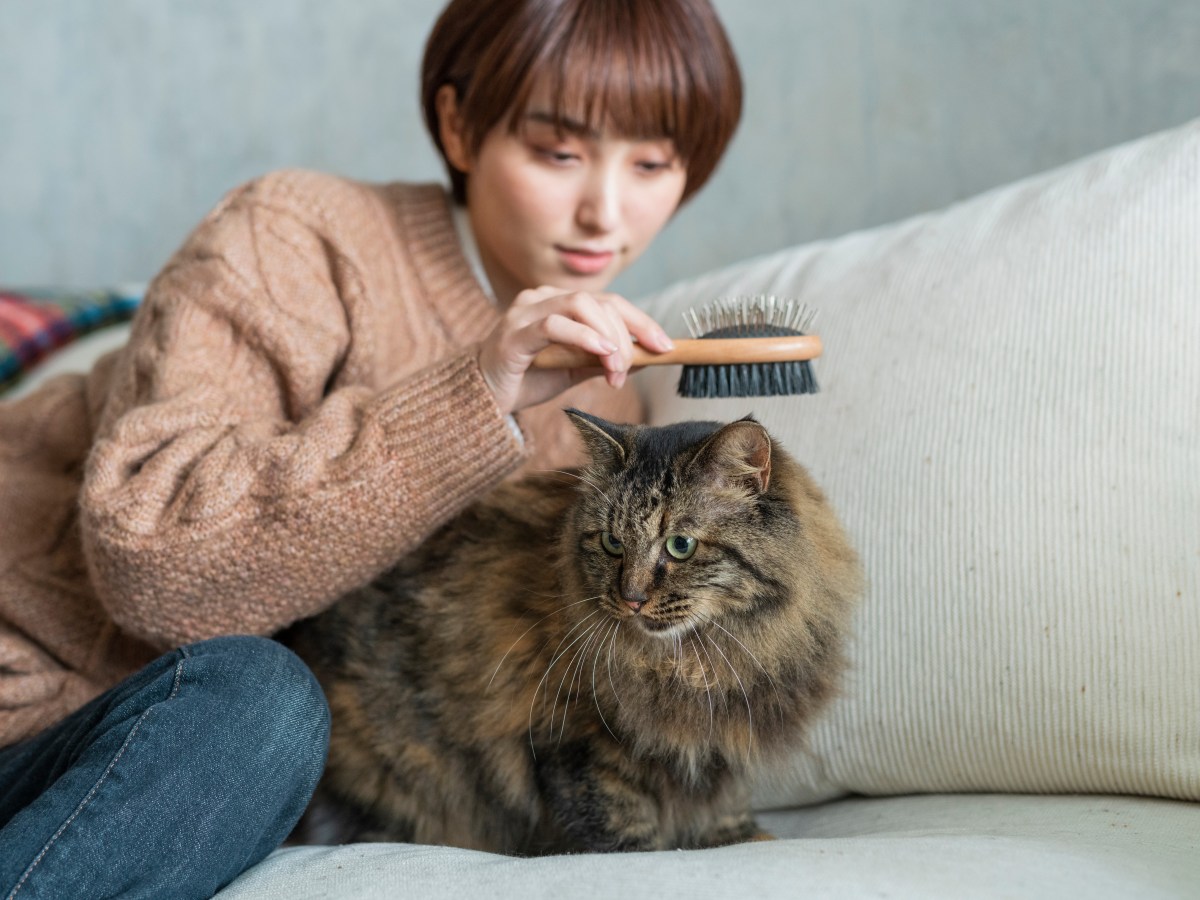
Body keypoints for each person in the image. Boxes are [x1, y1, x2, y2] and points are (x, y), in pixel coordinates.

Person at [0, 0, 743, 895]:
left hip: (149, 775)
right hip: (33, 696)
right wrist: (471, 398)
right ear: (459, 125)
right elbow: (147, 561)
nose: (605, 211)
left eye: (653, 164)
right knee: (261, 707)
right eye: (559, 152)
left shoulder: (603, 414)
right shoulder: (298, 234)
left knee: (273, 726)